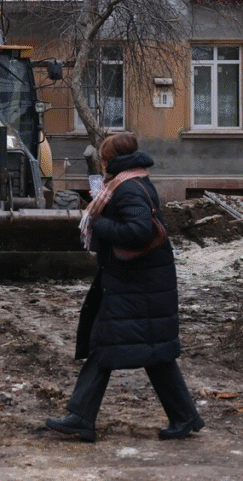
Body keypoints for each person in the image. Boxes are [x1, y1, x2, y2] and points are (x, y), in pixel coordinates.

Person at [46, 132, 203, 442]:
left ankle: (81, 417)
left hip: (137, 286)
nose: (102, 166)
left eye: (103, 160)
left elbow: (139, 231)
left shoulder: (127, 187)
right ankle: (183, 416)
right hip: (140, 283)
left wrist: (97, 224)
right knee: (151, 352)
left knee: (107, 345)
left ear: (110, 161)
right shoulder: (134, 182)